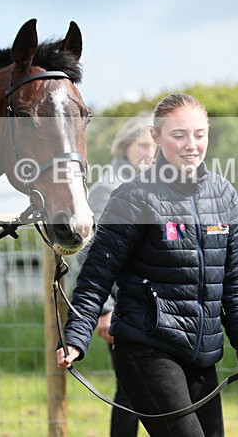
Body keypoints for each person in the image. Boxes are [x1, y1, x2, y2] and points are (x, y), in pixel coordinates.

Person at [57, 93, 238, 437]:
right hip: (146, 349)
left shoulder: (225, 195)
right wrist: (76, 338)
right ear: (156, 138)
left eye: (199, 134)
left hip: (204, 355)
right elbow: (96, 277)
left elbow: (236, 287)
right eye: (179, 135)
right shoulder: (132, 197)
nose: (191, 145)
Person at [86, 114, 154, 437]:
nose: (149, 152)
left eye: (154, 145)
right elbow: (96, 255)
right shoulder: (106, 189)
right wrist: (105, 309)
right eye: (143, 145)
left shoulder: (154, 182)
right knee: (129, 390)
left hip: (152, 306)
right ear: (125, 146)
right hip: (122, 307)